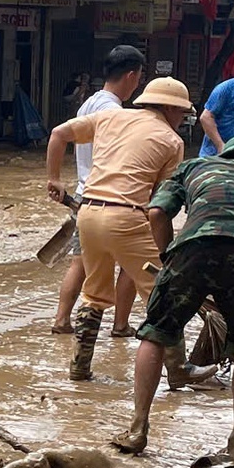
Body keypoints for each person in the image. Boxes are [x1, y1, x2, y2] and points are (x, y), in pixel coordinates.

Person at [116, 132, 234, 460]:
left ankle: (138, 429)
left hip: (193, 250)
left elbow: (156, 213)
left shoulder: (194, 167)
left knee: (156, 334)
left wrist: (169, 258)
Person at [44, 73, 198, 382]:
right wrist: (165, 252)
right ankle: (179, 370)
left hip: (88, 213)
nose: (183, 119)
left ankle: (80, 366)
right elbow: (159, 205)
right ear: (169, 109)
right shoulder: (172, 141)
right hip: (126, 216)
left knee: (94, 292)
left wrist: (55, 179)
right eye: (182, 112)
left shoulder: (109, 118)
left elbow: (58, 134)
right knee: (161, 294)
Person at [52, 50, 143, 337]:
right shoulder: (116, 114)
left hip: (83, 196)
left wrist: (53, 179)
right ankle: (120, 324)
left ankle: (62, 319)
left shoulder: (88, 105)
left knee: (80, 262)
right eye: (139, 78)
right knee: (131, 264)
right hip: (112, 199)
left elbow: (58, 136)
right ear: (131, 76)